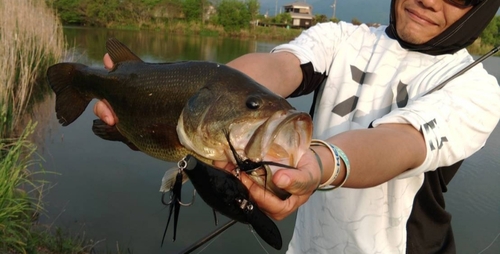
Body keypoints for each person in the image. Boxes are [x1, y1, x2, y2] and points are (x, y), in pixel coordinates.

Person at [94, 0, 500, 253]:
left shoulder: (477, 89)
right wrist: (190, 105)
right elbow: (277, 68)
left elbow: (400, 143)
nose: (429, 0)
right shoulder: (339, 37)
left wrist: (321, 165)